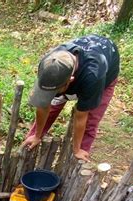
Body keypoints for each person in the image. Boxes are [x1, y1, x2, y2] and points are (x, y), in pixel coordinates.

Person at [23, 34, 120, 162]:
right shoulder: (49, 63)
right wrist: (37, 135)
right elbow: (43, 105)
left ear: (70, 80)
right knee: (52, 106)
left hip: (105, 76)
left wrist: (76, 149)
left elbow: (81, 116)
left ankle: (80, 155)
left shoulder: (93, 76)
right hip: (74, 73)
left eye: (56, 90)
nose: (52, 94)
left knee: (91, 118)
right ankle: (32, 141)